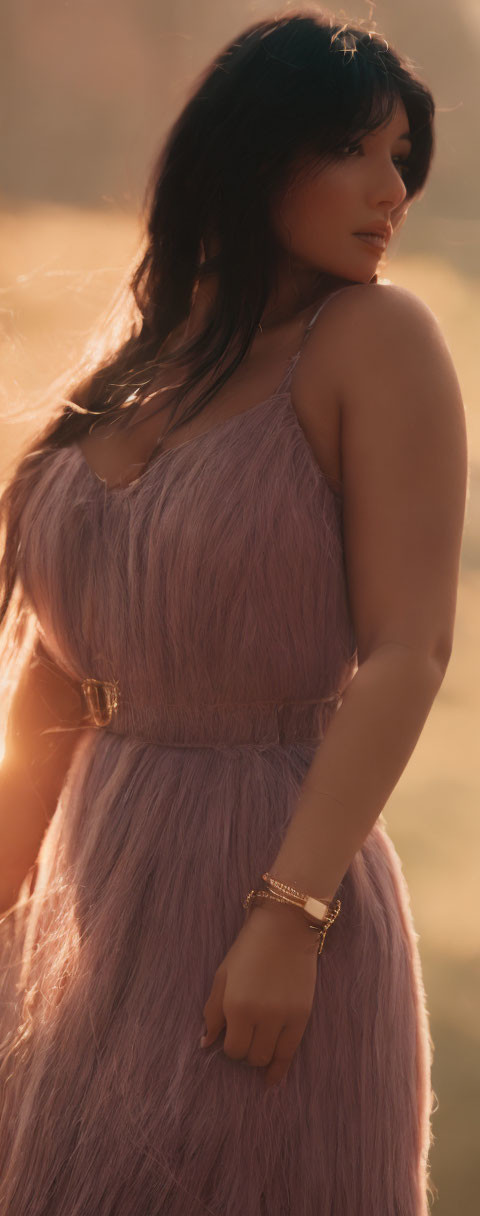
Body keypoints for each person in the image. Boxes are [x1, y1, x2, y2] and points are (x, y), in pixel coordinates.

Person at [0, 9, 468, 1215]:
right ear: (255, 151)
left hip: (266, 882)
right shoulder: (132, 368)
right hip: (86, 901)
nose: (392, 191)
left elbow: (408, 652)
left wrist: (291, 918)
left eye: (403, 161)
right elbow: (53, 675)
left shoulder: (376, 340)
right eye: (357, 150)